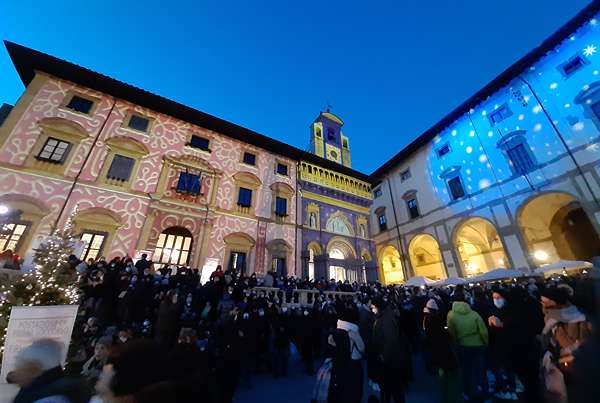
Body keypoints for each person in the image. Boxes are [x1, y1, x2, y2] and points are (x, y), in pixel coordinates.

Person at [8, 339, 90, 403]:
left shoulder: (50, 397)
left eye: (21, 366)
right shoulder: (35, 390)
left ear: (34, 368)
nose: (17, 371)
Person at [447, 297, 488, 402]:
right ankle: (483, 391)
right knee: (480, 370)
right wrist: (485, 342)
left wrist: (456, 341)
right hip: (478, 344)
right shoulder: (474, 314)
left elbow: (451, 331)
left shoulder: (451, 315)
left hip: (463, 345)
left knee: (466, 370)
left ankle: (467, 392)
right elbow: (483, 331)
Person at [371, 297, 408, 403]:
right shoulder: (383, 316)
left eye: (373, 307)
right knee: (389, 387)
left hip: (389, 359)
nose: (372, 309)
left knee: (393, 386)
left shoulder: (386, 318)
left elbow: (390, 339)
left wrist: (384, 356)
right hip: (387, 358)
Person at [422, 298, 459, 403]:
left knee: (442, 369)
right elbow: (442, 333)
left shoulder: (426, 318)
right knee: (449, 372)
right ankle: (449, 395)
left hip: (434, 347)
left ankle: (444, 389)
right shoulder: (434, 318)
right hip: (441, 348)